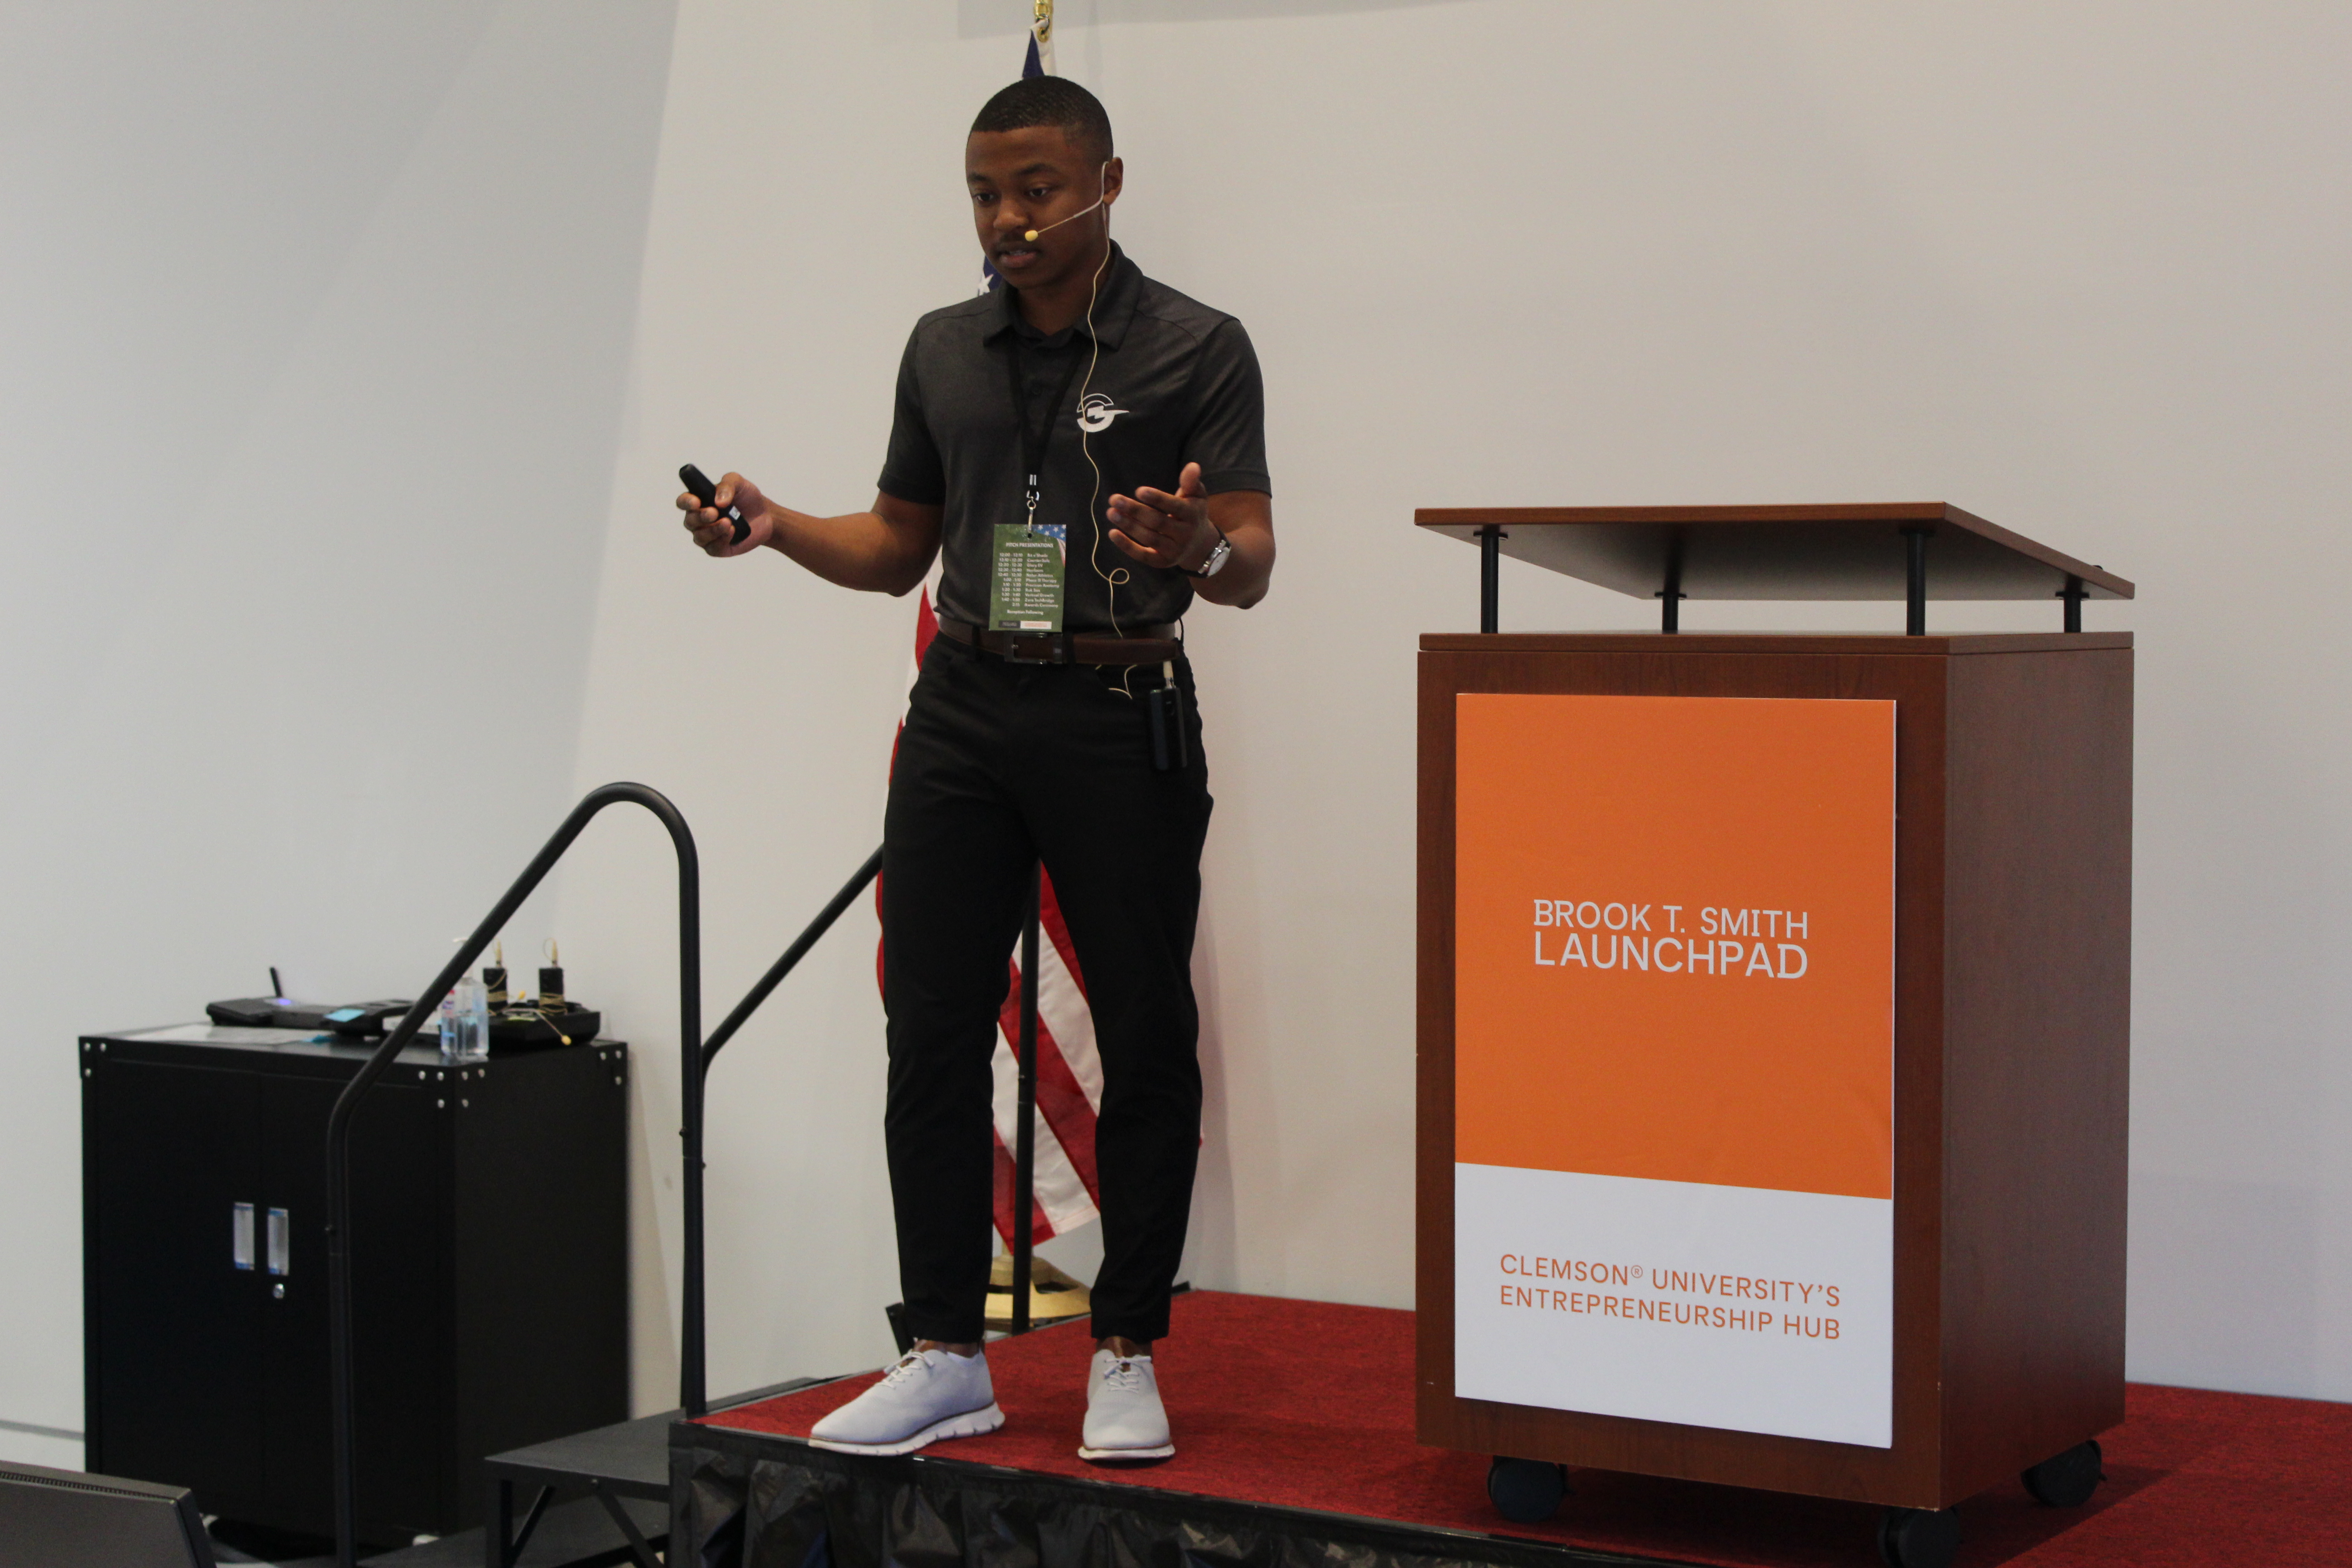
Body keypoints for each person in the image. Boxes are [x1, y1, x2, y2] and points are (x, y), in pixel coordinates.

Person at [676, 75, 1273, 1463]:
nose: (1007, 220)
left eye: (1037, 191)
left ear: (1108, 184)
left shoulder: (1198, 345)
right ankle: (946, 1350)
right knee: (930, 1027)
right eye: (984, 194)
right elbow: (898, 544)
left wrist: (1198, 552)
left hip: (1117, 710)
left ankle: (1126, 1345)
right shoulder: (942, 347)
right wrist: (772, 528)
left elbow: (1252, 559)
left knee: (1143, 1031)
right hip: (961, 711)